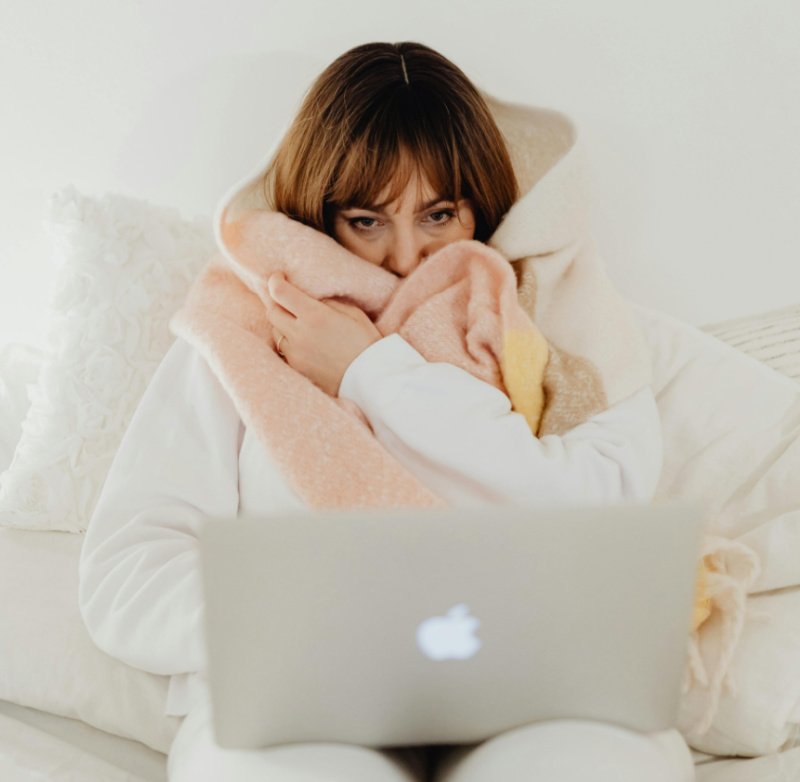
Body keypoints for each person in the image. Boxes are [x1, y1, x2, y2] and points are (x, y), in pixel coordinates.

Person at [78, 41, 696, 781]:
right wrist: (298, 629)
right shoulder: (248, 322)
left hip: (536, 692)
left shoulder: (553, 312)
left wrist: (373, 371)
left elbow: (603, 509)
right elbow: (126, 569)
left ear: (482, 204)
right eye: (368, 221)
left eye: (439, 213)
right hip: (299, 697)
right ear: (320, 213)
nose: (405, 257)